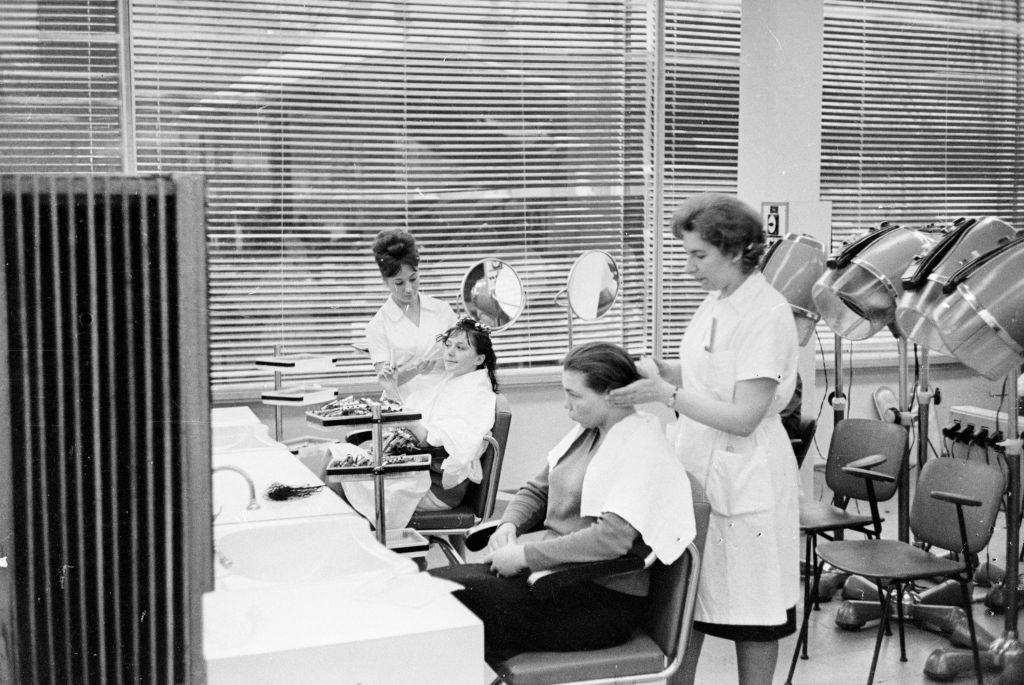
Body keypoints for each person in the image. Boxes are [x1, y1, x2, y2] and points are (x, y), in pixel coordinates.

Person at [607, 193, 799, 685]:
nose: (691, 267)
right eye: (687, 254)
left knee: (753, 613)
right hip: (698, 465)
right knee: (686, 601)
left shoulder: (767, 313)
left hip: (745, 469)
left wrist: (666, 393)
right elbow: (704, 377)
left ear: (735, 251)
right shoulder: (718, 301)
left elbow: (744, 415)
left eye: (699, 255)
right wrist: (655, 371)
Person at [431, 342, 695, 658]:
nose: (565, 405)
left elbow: (612, 540)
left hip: (596, 600)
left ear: (612, 395)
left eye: (575, 395)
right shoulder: (588, 431)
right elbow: (537, 490)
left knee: (442, 605)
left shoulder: (640, 447)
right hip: (553, 578)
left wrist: (526, 556)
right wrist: (509, 524)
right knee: (428, 589)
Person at [401, 317, 499, 510]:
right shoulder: (458, 381)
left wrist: (407, 421)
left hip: (436, 490)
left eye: (461, 348)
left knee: (343, 482)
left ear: (479, 359)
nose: (450, 353)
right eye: (448, 345)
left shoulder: (476, 394)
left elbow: (442, 446)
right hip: (425, 477)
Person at [364, 229, 457, 399]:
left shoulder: (442, 310)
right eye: (399, 283)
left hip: (446, 399)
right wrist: (415, 368)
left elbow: (464, 357)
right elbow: (386, 380)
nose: (408, 289)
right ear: (385, 281)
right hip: (405, 406)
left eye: (413, 279)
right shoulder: (378, 325)